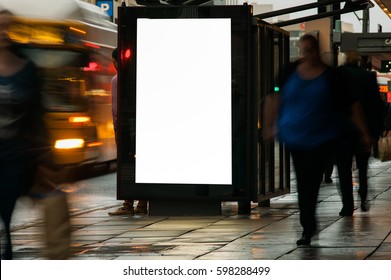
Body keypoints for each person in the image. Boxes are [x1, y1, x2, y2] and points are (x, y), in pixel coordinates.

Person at [264, 34, 340, 245]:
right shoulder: (289, 72)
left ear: (317, 50)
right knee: (304, 181)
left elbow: (344, 105)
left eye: (310, 50)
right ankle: (307, 225)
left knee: (312, 182)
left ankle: (308, 223)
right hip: (295, 137)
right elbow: (274, 95)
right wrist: (270, 124)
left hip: (321, 137)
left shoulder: (330, 76)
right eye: (303, 50)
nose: (306, 54)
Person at [0, 9, 49, 259]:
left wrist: (44, 157)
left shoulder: (25, 68)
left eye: (6, 27)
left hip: (12, 156)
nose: (2, 32)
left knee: (5, 212)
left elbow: (36, 114)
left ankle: (7, 254)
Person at [336, 51, 385, 213]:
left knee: (343, 168)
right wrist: (376, 131)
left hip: (343, 129)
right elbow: (378, 105)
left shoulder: (338, 74)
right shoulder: (368, 77)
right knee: (363, 167)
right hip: (365, 129)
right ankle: (363, 196)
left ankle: (347, 205)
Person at [108, 47, 148, 216]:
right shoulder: (139, 78)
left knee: (127, 164)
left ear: (116, 62)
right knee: (141, 164)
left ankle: (128, 204)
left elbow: (116, 110)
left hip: (126, 128)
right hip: (142, 127)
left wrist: (117, 129)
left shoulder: (117, 80)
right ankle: (142, 203)